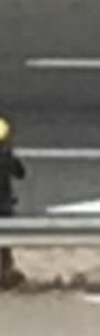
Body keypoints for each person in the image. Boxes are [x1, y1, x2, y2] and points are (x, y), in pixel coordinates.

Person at [0, 115, 25, 281]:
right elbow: (21, 173)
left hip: (4, 203)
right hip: (4, 204)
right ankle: (5, 271)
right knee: (5, 244)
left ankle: (6, 271)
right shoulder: (7, 158)